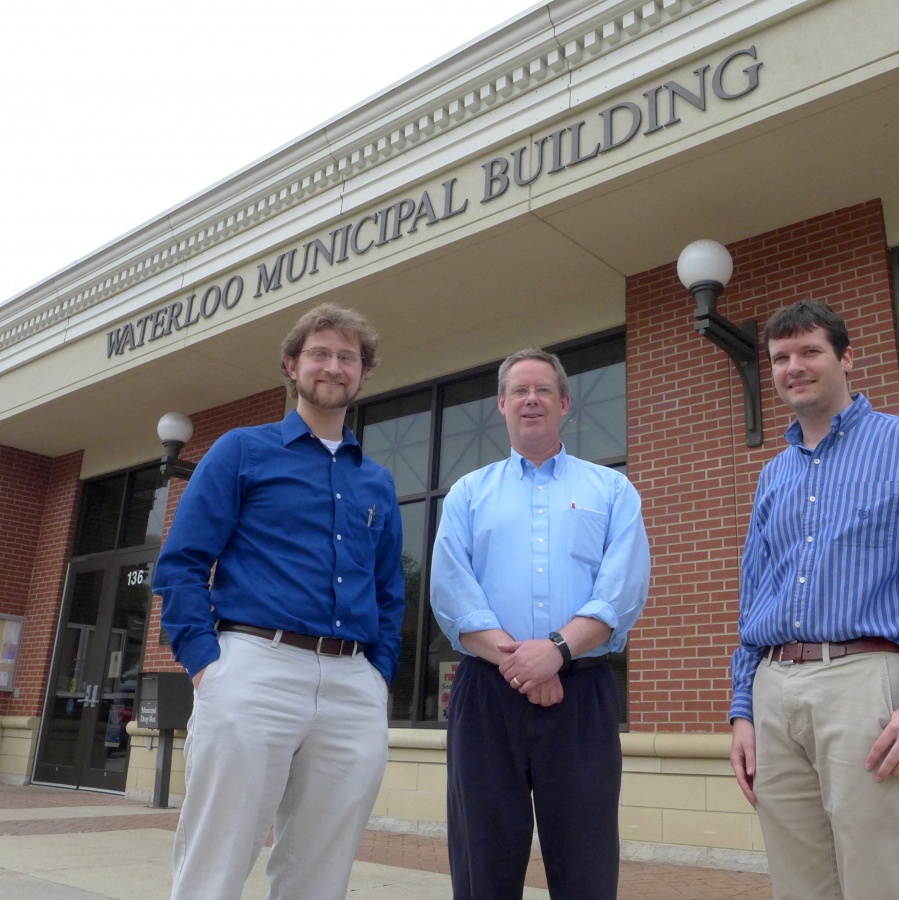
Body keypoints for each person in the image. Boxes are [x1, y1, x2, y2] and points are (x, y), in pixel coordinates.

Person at [729, 300, 899, 900]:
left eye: (810, 351)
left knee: (880, 879)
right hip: (775, 689)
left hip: (868, 683)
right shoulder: (774, 475)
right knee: (797, 883)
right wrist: (742, 708)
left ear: (847, 357)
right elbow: (754, 600)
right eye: (780, 357)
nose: (794, 366)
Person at [153, 303, 405, 900]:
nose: (334, 366)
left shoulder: (377, 481)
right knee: (217, 857)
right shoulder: (242, 450)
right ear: (291, 366)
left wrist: (379, 674)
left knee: (321, 867)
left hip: (352, 682)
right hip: (253, 668)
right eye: (320, 353)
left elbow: (390, 590)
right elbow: (183, 562)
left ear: (363, 374)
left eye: (348, 357)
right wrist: (205, 664)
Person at [430, 346, 650, 900]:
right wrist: (524, 662)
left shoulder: (611, 491)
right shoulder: (467, 494)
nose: (532, 399)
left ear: (564, 403)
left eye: (543, 390)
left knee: (586, 861)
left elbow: (620, 590)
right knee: (483, 860)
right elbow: (451, 593)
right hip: (487, 693)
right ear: (501, 405)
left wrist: (556, 650)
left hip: (582, 693)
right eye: (520, 391)